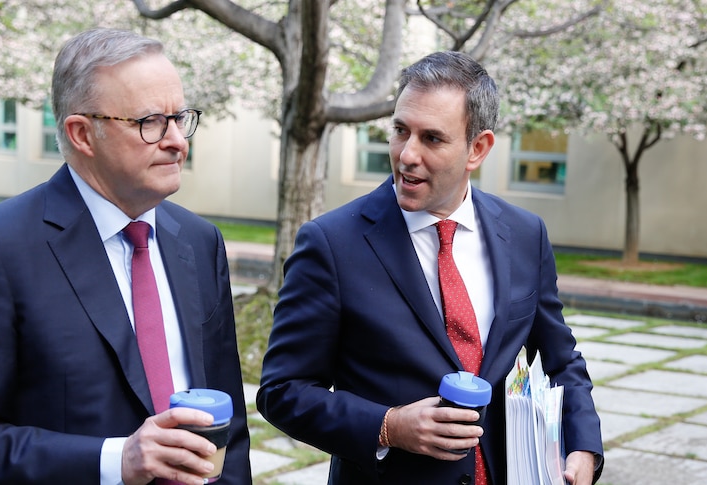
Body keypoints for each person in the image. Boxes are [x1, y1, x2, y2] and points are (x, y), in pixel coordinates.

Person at [0, 28, 251, 485]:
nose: (176, 140)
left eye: (180, 117)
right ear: (83, 133)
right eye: (150, 122)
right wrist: (115, 461)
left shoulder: (199, 239)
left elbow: (230, 422)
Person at [257, 51, 603, 484]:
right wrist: (388, 426)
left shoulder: (525, 234)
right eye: (400, 131)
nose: (407, 155)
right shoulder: (330, 243)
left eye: (432, 139)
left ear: (478, 148)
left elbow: (560, 360)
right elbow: (282, 392)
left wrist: (583, 447)